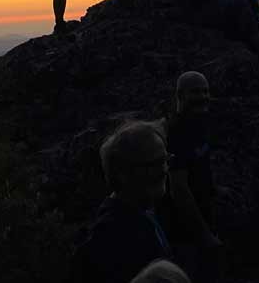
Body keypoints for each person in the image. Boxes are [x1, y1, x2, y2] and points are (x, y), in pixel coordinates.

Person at [72, 121, 174, 283]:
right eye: (153, 164)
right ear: (123, 173)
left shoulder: (145, 210)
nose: (163, 170)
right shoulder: (111, 240)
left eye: (165, 160)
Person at [162, 71, 221, 283]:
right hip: (183, 235)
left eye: (205, 91)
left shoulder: (200, 124)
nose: (203, 96)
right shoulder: (176, 133)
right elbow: (178, 189)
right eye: (195, 92)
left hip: (205, 219)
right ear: (180, 95)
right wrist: (204, 235)